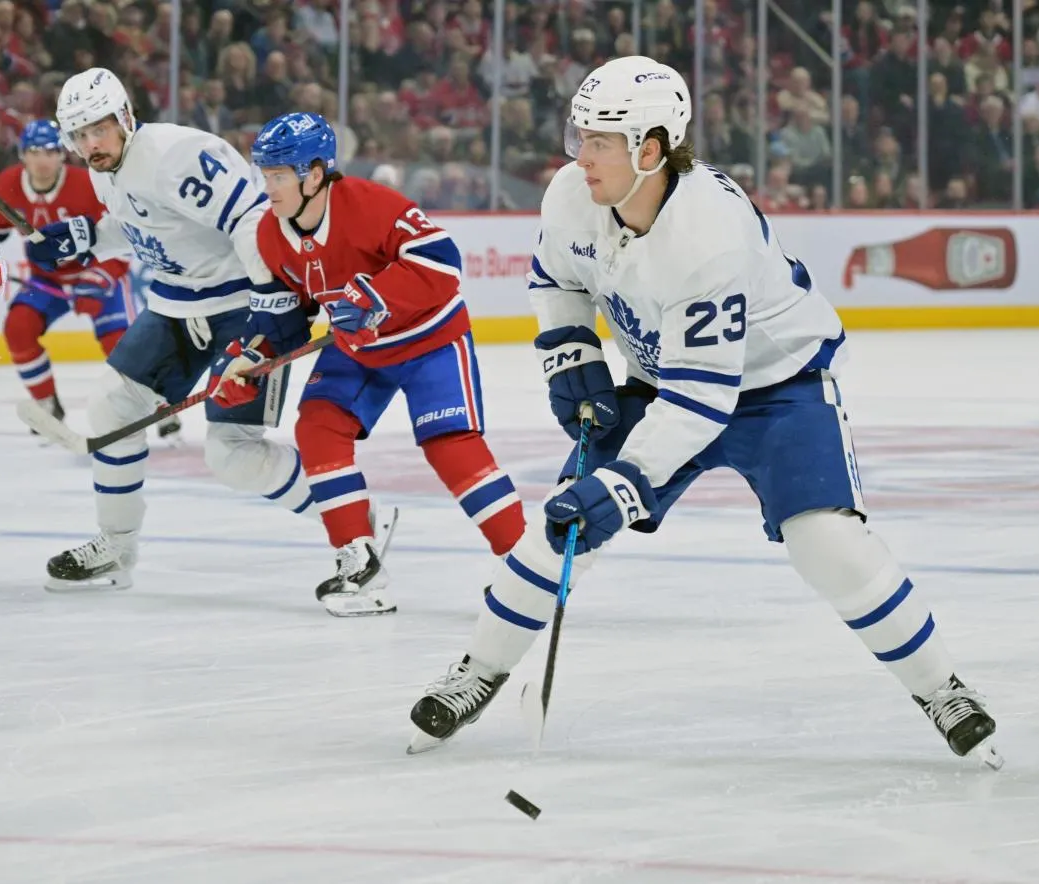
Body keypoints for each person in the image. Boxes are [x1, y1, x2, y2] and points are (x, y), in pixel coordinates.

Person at [407, 57, 1001, 766]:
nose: (579, 155)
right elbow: (556, 280)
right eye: (580, 135)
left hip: (778, 388)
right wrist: (572, 353)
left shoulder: (707, 235)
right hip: (670, 383)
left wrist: (621, 485)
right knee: (560, 524)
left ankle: (941, 688)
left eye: (599, 140)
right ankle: (479, 670)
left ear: (650, 149)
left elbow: (703, 402)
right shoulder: (572, 195)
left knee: (827, 545)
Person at [208, 112, 525, 615]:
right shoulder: (269, 235)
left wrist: (377, 295)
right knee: (317, 427)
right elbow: (284, 319)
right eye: (264, 175)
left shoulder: (370, 204)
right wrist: (250, 360)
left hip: (429, 339)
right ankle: (359, 561)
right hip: (358, 350)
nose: (267, 188)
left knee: (449, 446)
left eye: (278, 176)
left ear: (314, 174)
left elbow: (443, 261)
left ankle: (526, 564)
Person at [25, 68, 316, 591]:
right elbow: (144, 222)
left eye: (100, 128)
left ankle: (356, 526)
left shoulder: (174, 155)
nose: (91, 144)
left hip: (244, 305)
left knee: (232, 453)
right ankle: (116, 547)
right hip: (177, 307)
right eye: (80, 135)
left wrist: (273, 302)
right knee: (112, 407)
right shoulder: (105, 167)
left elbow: (251, 219)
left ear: (126, 117)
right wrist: (89, 235)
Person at [0, 120, 184, 439]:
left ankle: (157, 404)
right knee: (18, 327)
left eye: (50, 151)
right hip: (48, 281)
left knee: (120, 345)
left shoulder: (90, 184)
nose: (42, 160)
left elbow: (124, 235)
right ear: (22, 156)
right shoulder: (7, 185)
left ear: (62, 155)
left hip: (98, 272)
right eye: (33, 152)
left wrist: (100, 276)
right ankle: (47, 404)